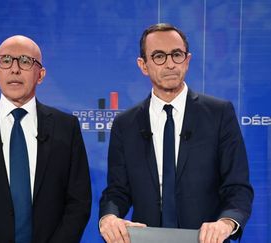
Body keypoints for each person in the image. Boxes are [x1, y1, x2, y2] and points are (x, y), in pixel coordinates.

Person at [99, 23, 254, 243]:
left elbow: (237, 186)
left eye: (177, 55)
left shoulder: (219, 113)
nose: (170, 64)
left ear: (187, 60)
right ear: (143, 65)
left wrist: (226, 222)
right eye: (159, 56)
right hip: (146, 239)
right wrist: (109, 217)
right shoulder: (126, 124)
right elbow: (117, 191)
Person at [0, 35, 92, 243]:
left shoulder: (66, 127)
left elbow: (79, 201)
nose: (14, 69)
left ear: (40, 74)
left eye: (24, 61)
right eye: (5, 60)